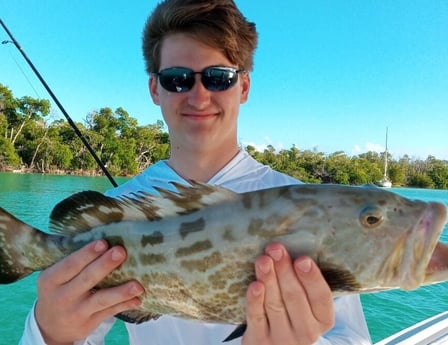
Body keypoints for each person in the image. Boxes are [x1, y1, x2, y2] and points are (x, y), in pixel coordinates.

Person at [20, 0, 372, 344]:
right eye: (177, 79)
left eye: (219, 78)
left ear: (244, 87)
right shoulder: (116, 212)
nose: (199, 96)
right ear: (155, 89)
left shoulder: (313, 209)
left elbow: (351, 337)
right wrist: (50, 332)